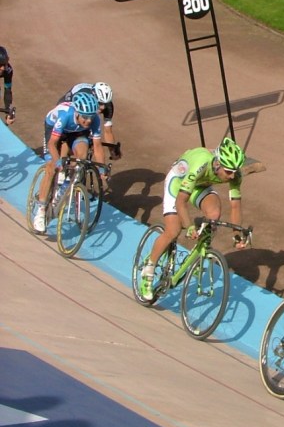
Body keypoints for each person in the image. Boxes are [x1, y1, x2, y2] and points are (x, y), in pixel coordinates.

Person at [139, 137, 248, 301]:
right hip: (178, 183)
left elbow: (235, 206)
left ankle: (196, 256)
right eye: (228, 172)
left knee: (214, 214)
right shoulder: (200, 165)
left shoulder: (235, 174)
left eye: (235, 171)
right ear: (217, 164)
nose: (232, 176)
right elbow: (181, 201)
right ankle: (148, 270)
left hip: (200, 185)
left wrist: (237, 233)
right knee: (173, 230)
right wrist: (189, 226)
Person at [33, 91, 106, 233]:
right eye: (85, 117)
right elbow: (52, 144)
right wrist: (58, 160)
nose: (88, 121)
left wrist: (102, 169)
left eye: (91, 117)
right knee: (52, 166)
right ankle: (40, 210)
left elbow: (97, 146)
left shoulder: (94, 119)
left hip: (76, 132)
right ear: (77, 113)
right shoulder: (65, 115)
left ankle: (66, 185)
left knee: (82, 156)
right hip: (54, 129)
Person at [58, 82, 118, 157]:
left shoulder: (108, 106)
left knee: (89, 141)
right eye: (100, 103)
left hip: (88, 110)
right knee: (69, 133)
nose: (103, 107)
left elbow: (108, 131)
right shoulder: (82, 99)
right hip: (69, 104)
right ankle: (62, 161)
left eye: (105, 104)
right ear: (93, 97)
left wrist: (112, 150)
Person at [0, 46, 14, 125]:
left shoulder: (8, 70)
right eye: (0, 65)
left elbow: (8, 91)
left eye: (4, 64)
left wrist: (8, 110)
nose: (2, 68)